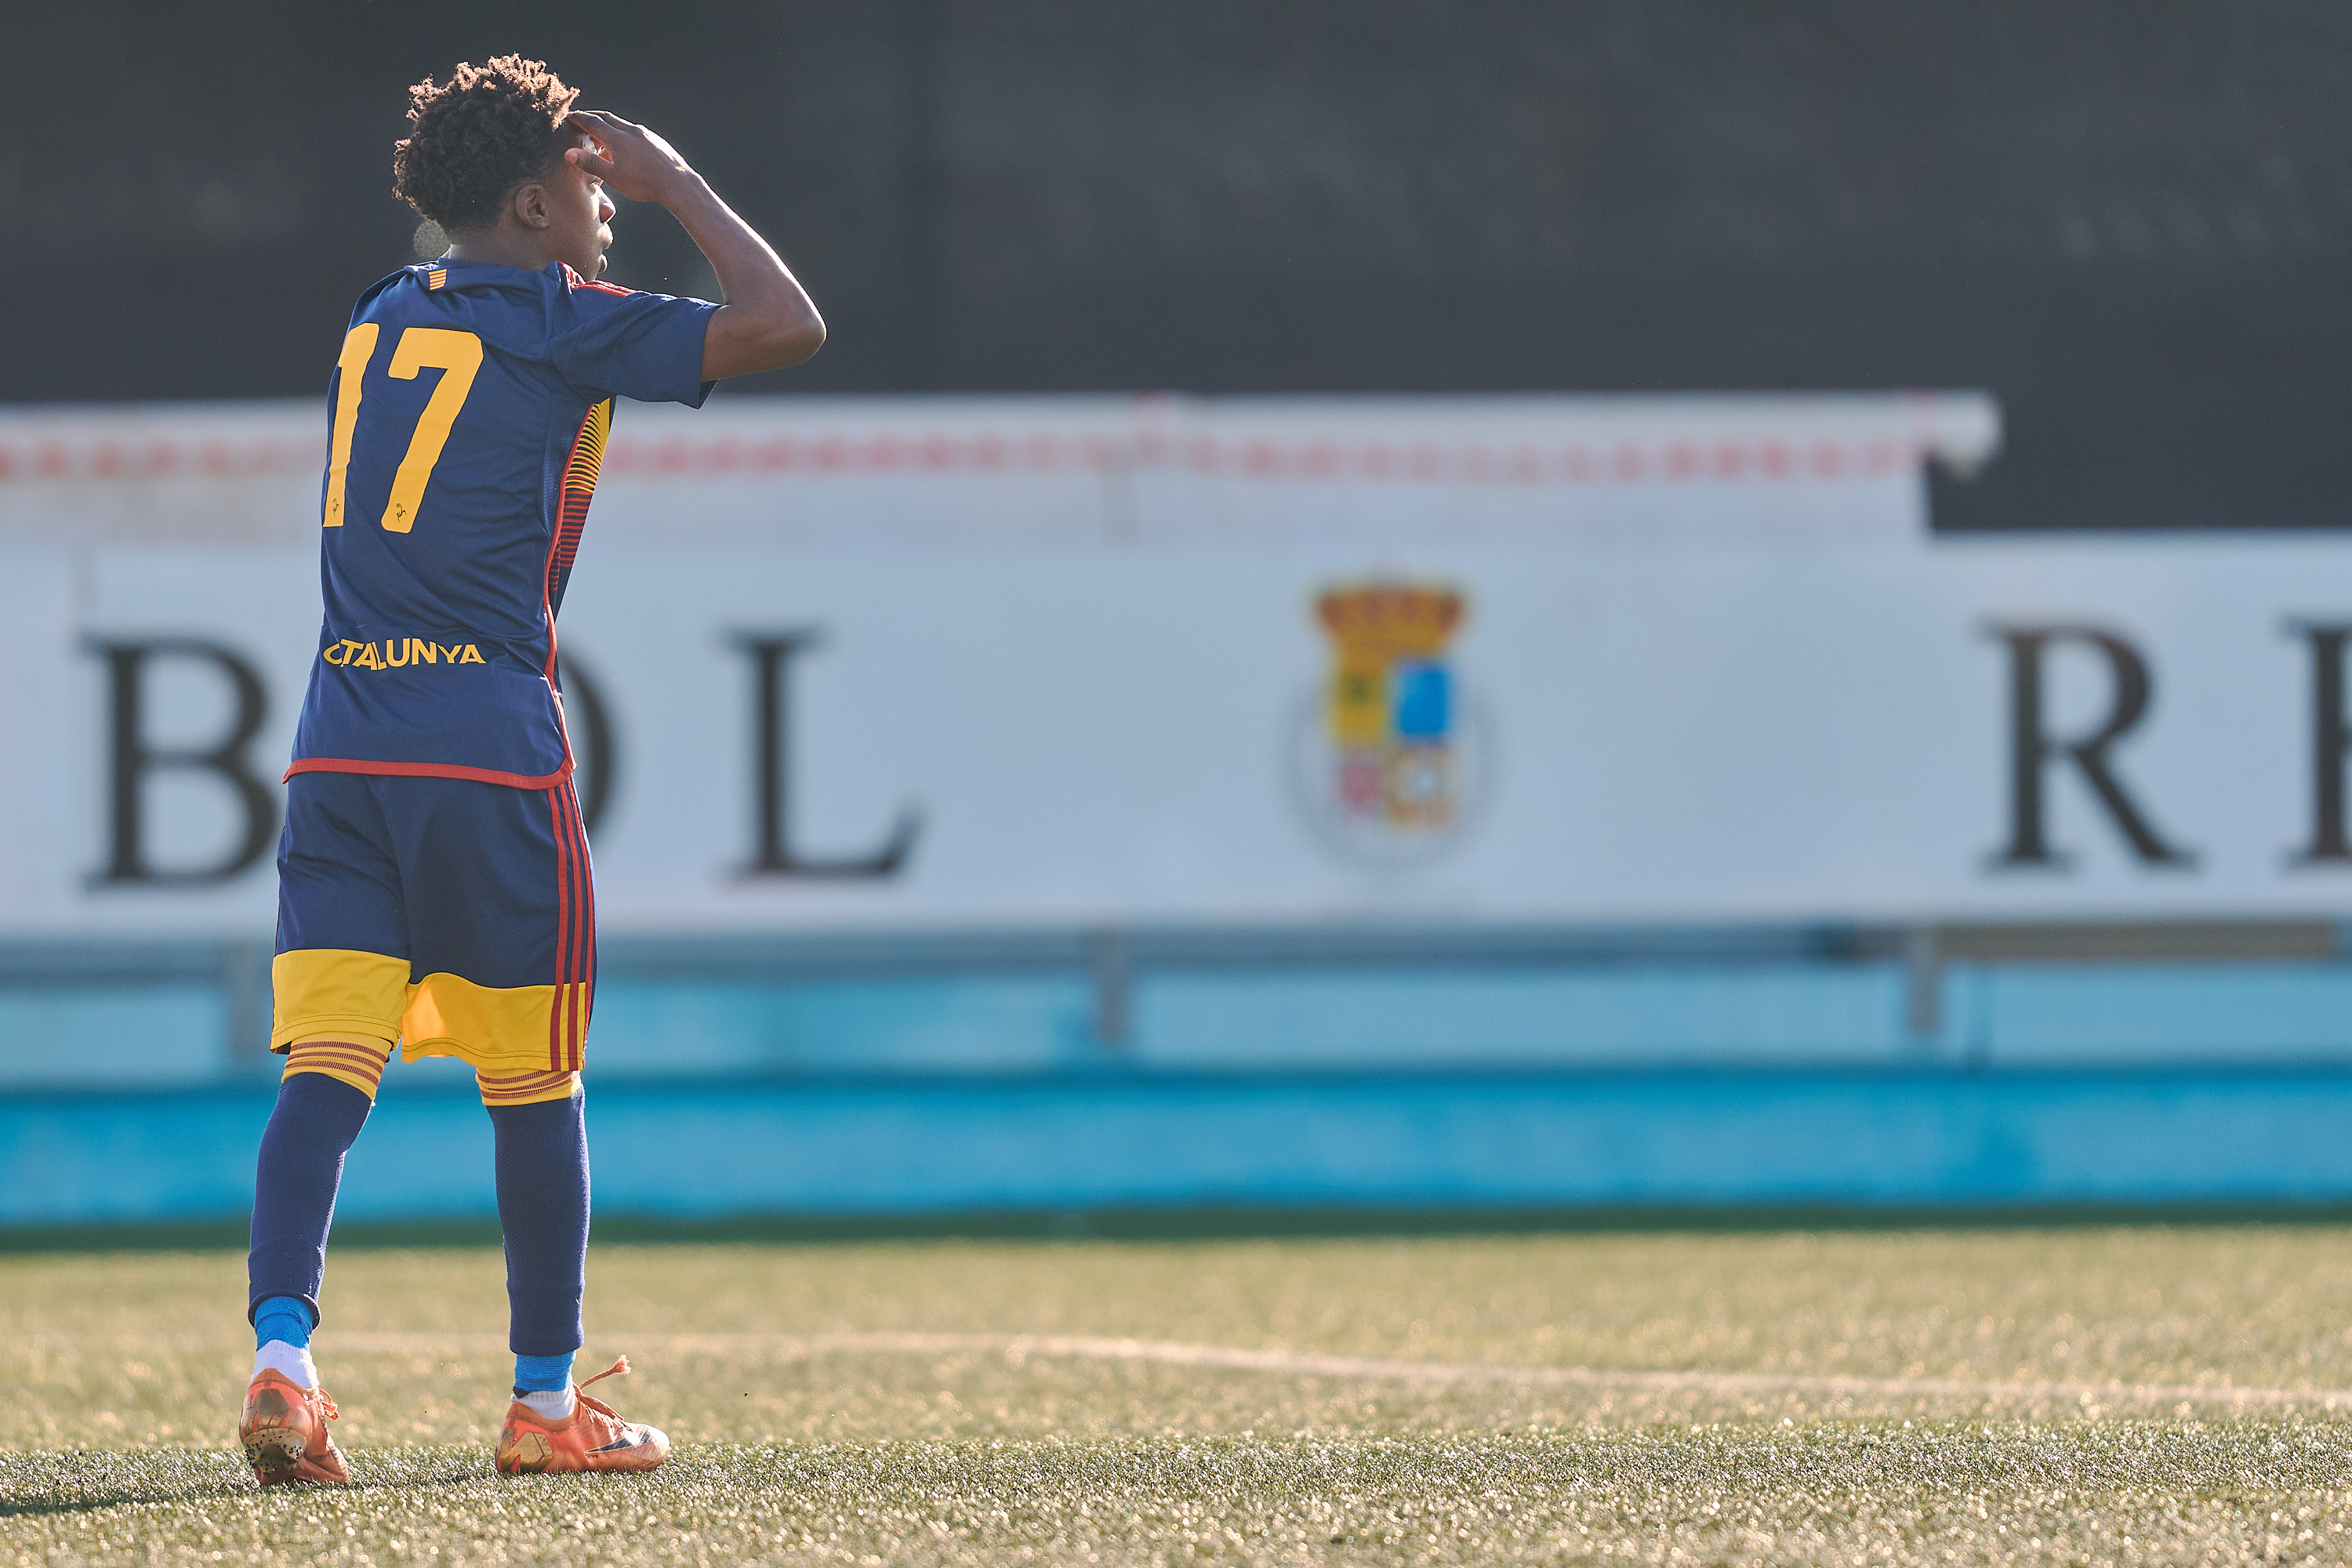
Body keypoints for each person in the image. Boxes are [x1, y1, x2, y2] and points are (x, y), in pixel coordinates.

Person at [235, 56, 823, 1485]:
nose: (607, 200)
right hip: (486, 743)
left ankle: (282, 1363)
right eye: (586, 179)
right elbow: (787, 325)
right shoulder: (564, 319)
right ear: (529, 204)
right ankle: (547, 1403)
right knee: (534, 1082)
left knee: (326, 1070)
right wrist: (678, 179)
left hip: (340, 738)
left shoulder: (384, 311)